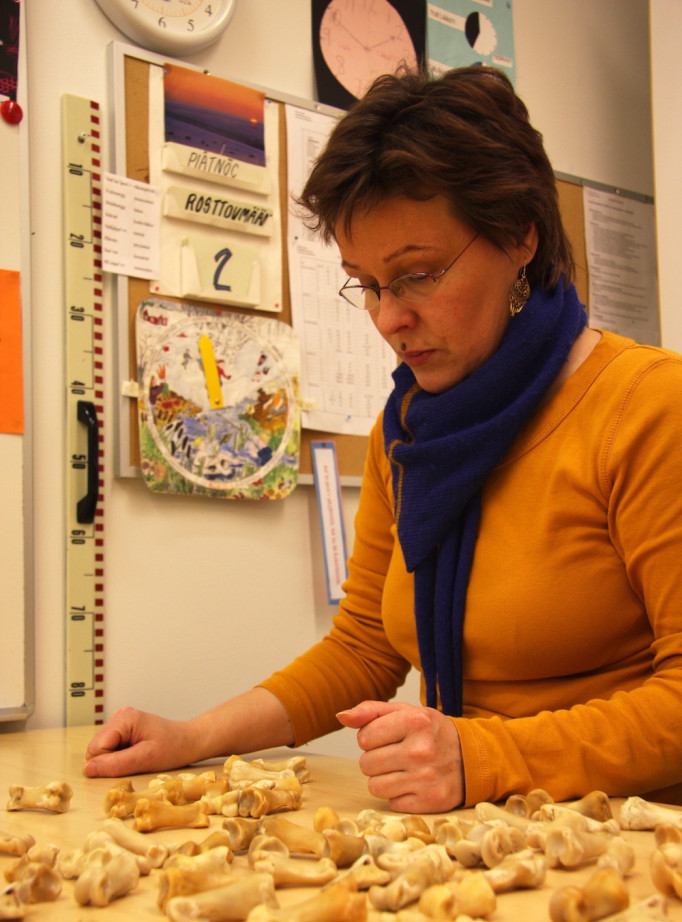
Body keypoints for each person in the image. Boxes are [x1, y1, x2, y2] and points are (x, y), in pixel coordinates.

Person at [85, 65, 682, 812]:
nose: (387, 318)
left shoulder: (651, 408)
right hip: (479, 836)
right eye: (365, 283)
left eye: (419, 274)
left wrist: (485, 754)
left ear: (521, 235)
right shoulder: (406, 434)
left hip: (633, 848)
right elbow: (365, 646)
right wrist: (193, 737)